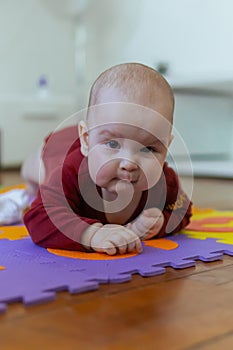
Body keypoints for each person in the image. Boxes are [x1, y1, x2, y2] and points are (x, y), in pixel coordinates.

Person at [23, 63, 192, 255]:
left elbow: (183, 210)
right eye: (113, 144)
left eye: (148, 148)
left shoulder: (164, 181)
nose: (129, 163)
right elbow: (38, 216)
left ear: (166, 146)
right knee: (37, 168)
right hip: (61, 148)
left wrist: (162, 221)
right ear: (86, 140)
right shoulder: (71, 171)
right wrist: (91, 234)